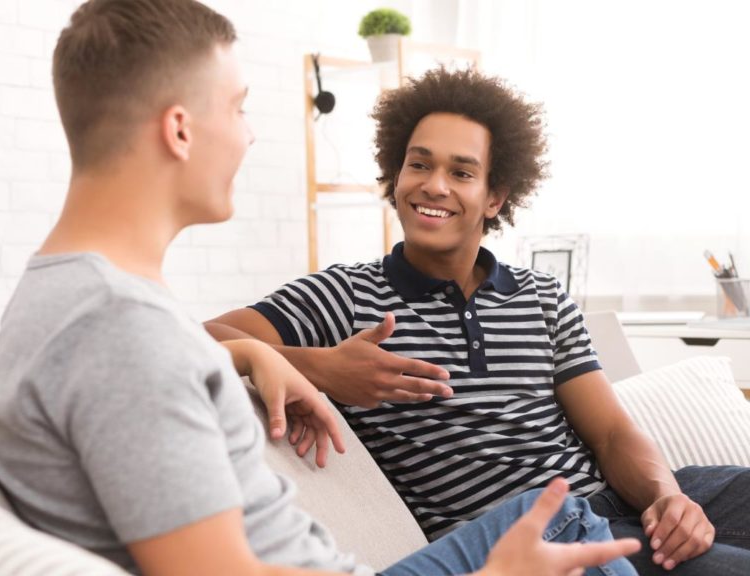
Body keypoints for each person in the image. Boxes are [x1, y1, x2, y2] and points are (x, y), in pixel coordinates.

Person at [0, 1, 641, 575]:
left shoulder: (83, 302)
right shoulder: (119, 331)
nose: (249, 133)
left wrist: (256, 353)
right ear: (180, 129)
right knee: (561, 519)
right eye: (239, 108)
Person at [205, 67, 750, 575]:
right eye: (419, 165)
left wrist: (665, 497)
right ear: (396, 175)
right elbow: (188, 338)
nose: (434, 186)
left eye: (460, 172)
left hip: (616, 504)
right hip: (533, 536)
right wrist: (320, 367)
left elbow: (610, 433)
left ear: (494, 197)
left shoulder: (541, 295)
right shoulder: (348, 294)